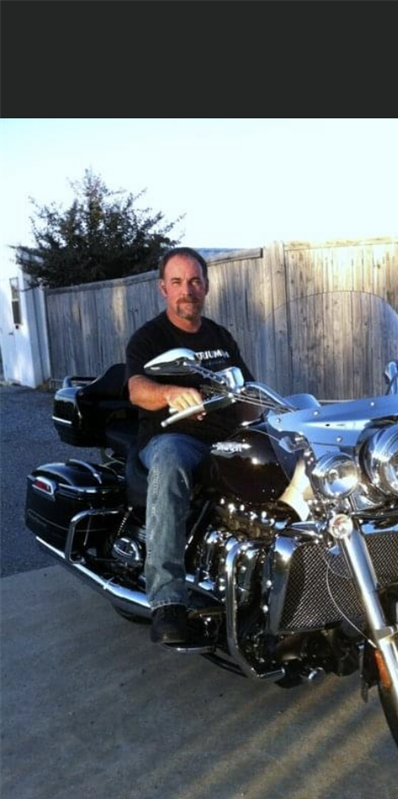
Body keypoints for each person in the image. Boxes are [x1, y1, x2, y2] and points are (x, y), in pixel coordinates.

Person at [126, 247, 254, 650]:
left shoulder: (220, 336)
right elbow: (136, 390)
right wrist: (171, 393)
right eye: (178, 282)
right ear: (164, 288)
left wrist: (271, 412)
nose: (188, 290)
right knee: (169, 463)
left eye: (195, 281)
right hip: (174, 438)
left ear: (207, 286)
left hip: (225, 437)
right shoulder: (150, 337)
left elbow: (245, 389)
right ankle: (167, 599)